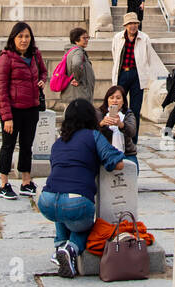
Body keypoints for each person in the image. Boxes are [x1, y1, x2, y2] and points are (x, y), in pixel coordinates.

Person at [37, 99, 125, 277]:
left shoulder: (58, 142)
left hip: (46, 200)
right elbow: (118, 163)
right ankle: (70, 248)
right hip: (76, 202)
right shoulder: (93, 136)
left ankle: (59, 246)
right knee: (86, 227)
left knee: (60, 205)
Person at [0, 20, 47, 201]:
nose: (24, 40)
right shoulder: (6, 58)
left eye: (27, 36)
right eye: (20, 36)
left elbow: (43, 72)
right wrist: (7, 117)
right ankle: (4, 184)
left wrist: (42, 80)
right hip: (13, 110)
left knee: (27, 146)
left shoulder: (35, 55)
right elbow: (1, 90)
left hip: (31, 108)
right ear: (13, 38)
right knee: (8, 146)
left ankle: (26, 182)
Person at [110, 13, 164, 142]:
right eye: (130, 24)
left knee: (135, 108)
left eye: (135, 23)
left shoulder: (144, 38)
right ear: (125, 26)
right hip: (122, 73)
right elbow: (114, 53)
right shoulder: (118, 37)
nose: (132, 26)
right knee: (115, 104)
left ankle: (133, 139)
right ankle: (113, 135)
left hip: (137, 75)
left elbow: (149, 57)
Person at [97, 85, 138, 171]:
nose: (114, 101)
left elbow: (132, 132)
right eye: (111, 98)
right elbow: (92, 131)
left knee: (132, 172)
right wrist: (102, 124)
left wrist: (121, 124)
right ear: (107, 100)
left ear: (123, 101)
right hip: (105, 151)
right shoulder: (99, 113)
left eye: (118, 98)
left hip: (127, 152)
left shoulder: (128, 114)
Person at [58, 27, 96, 106]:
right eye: (84, 38)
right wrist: (77, 78)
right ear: (76, 39)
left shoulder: (72, 51)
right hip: (79, 94)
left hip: (75, 94)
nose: (86, 40)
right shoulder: (77, 51)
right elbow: (76, 64)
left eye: (87, 37)